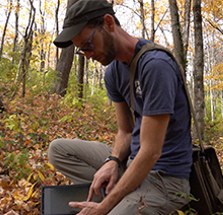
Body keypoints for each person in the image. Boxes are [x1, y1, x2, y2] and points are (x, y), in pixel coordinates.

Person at [48, 0, 193, 214]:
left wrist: (105, 208)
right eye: (81, 50)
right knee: (58, 149)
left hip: (165, 178)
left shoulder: (155, 66)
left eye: (88, 46)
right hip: (132, 162)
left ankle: (115, 199)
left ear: (108, 23)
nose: (87, 55)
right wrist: (113, 160)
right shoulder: (113, 72)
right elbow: (125, 131)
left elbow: (151, 152)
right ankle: (119, 193)